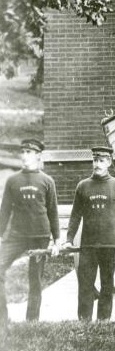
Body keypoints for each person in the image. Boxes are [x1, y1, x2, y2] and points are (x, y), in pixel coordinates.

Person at [0, 138, 60, 326]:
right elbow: (4, 211)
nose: (25, 156)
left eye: (29, 152)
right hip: (16, 236)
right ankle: (2, 318)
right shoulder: (12, 180)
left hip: (40, 237)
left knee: (35, 279)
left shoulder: (47, 181)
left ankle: (32, 321)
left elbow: (53, 211)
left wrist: (57, 240)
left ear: (38, 156)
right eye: (23, 152)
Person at [64, 145, 115, 321]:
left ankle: (104, 321)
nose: (97, 164)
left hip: (109, 245)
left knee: (107, 285)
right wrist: (69, 239)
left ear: (108, 162)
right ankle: (84, 321)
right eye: (95, 160)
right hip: (88, 245)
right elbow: (75, 215)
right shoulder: (83, 186)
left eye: (101, 161)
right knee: (85, 285)